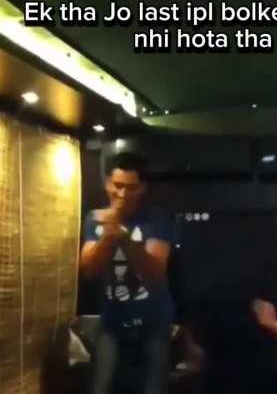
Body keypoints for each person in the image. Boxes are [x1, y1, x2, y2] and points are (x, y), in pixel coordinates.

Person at [80, 152, 175, 394]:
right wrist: (108, 234)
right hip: (112, 321)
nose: (122, 194)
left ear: (143, 188)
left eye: (131, 187)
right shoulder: (94, 219)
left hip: (154, 321)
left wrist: (121, 234)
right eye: (118, 185)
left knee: (153, 389)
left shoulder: (157, 220)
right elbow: (89, 270)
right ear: (107, 183)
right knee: (99, 388)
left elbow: (154, 273)